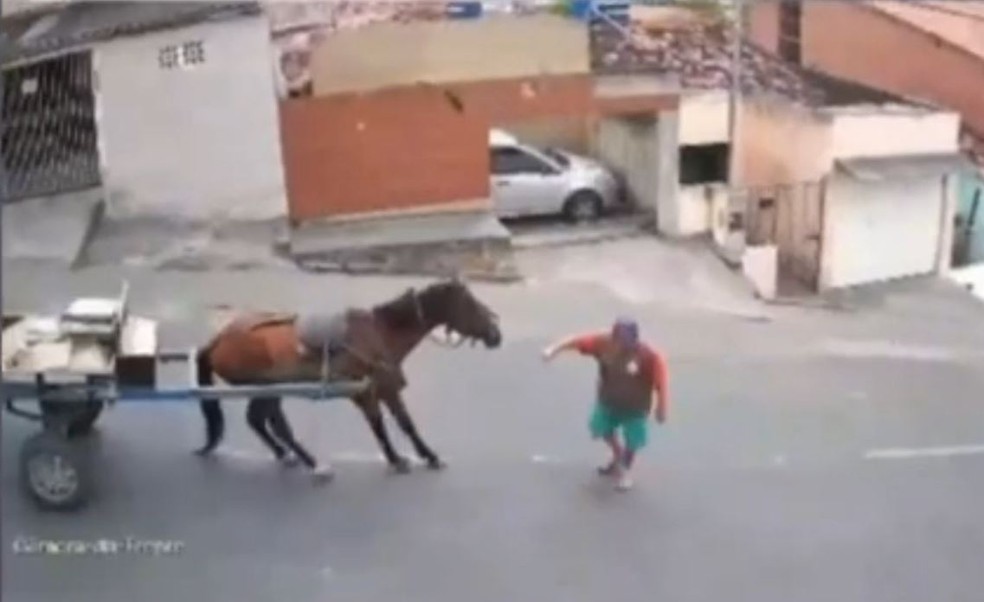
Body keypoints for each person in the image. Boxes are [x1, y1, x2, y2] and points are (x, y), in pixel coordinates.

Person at [542, 318, 669, 491]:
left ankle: (625, 472)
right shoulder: (603, 344)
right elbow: (574, 341)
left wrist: (661, 407)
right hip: (608, 400)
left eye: (627, 341)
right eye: (619, 340)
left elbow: (661, 383)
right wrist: (553, 350)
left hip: (636, 407)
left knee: (633, 441)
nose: (623, 345)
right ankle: (617, 453)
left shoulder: (649, 356)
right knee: (600, 428)